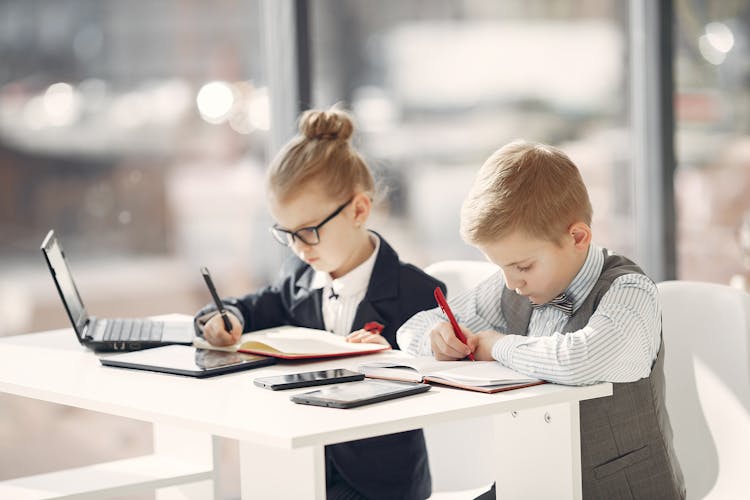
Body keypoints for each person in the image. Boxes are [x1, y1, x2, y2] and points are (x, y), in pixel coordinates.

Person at [397, 140, 685, 499]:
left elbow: (580, 360)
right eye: (500, 268)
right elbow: (410, 330)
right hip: (533, 483)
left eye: (522, 266)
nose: (511, 282)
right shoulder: (513, 289)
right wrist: (437, 337)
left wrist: (497, 346)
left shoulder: (629, 291)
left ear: (577, 237)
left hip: (616, 490)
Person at [194, 107, 443, 500]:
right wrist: (226, 317)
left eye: (308, 231)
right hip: (302, 468)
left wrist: (393, 359)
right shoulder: (298, 278)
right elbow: (259, 305)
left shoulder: (416, 291)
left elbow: (450, 372)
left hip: (380, 483)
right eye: (286, 233)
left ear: (359, 210)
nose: (298, 247)